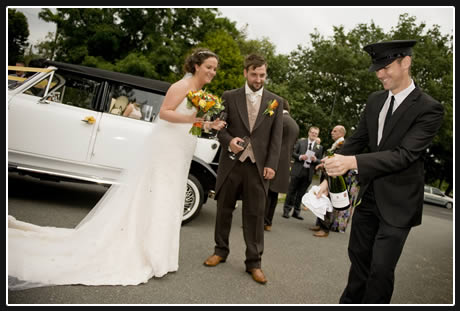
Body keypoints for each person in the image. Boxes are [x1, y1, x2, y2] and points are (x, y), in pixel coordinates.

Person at [8, 48, 226, 290]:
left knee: (168, 198)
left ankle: (159, 253)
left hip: (180, 148)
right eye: (209, 67)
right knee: (158, 194)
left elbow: (188, 120)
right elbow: (165, 113)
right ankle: (147, 251)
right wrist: (197, 121)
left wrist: (207, 123)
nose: (212, 72)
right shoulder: (180, 86)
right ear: (196, 66)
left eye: (215, 69)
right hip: (167, 149)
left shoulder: (199, 92)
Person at [317, 40, 444, 303]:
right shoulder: (375, 100)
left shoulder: (429, 108)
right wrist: (330, 177)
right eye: (377, 68)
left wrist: (352, 163)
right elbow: (355, 141)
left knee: (380, 271)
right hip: (368, 198)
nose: (379, 74)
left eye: (385, 67)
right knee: (359, 265)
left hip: (399, 204)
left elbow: (404, 155)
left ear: (405, 62)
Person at [203, 54, 283, 285]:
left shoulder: (275, 102)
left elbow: (276, 138)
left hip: (258, 168)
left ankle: (254, 263)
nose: (258, 79)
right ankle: (220, 251)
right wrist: (229, 140)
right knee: (224, 209)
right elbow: (220, 128)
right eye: (254, 74)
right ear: (245, 73)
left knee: (256, 215)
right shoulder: (229, 96)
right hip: (232, 163)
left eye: (262, 75)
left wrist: (271, 164)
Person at [264, 99, 299, 231]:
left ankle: (259, 222)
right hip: (284, 165)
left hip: (273, 162)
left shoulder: (280, 121)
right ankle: (268, 222)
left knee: (265, 193)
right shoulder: (294, 124)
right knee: (273, 195)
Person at [309, 125, 346, 237]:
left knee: (326, 201)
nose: (332, 132)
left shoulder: (342, 144)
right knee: (322, 198)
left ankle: (325, 229)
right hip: (327, 174)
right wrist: (322, 164)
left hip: (332, 177)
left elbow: (337, 161)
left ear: (341, 133)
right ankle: (320, 224)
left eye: (335, 131)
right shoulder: (336, 144)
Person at [282, 126, 322, 220]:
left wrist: (315, 159)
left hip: (309, 172)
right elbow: (292, 153)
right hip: (298, 170)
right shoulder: (301, 142)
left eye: (316, 134)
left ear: (317, 135)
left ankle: (296, 212)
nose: (313, 134)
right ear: (309, 133)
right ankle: (286, 211)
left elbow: (320, 160)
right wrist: (300, 157)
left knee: (301, 193)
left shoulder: (319, 147)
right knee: (291, 191)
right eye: (312, 132)